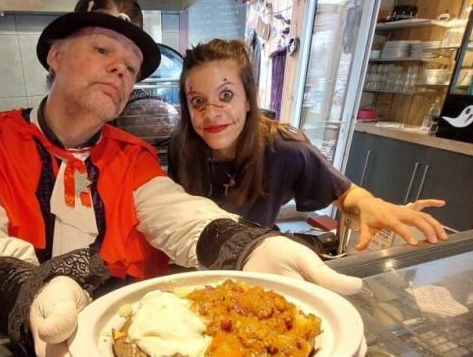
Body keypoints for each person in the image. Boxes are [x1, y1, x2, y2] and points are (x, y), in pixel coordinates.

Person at [0, 0, 362, 357]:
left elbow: (175, 212)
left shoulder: (131, 155)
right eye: (102, 49)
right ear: (54, 55)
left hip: (125, 349)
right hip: (15, 343)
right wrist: (31, 292)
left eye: (131, 67)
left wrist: (246, 245)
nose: (119, 70)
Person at [169, 39, 448, 251]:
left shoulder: (284, 149)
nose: (211, 112)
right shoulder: (181, 148)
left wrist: (369, 204)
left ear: (248, 99)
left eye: (226, 95)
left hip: (258, 257)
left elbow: (345, 192)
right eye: (197, 101)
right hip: (196, 258)